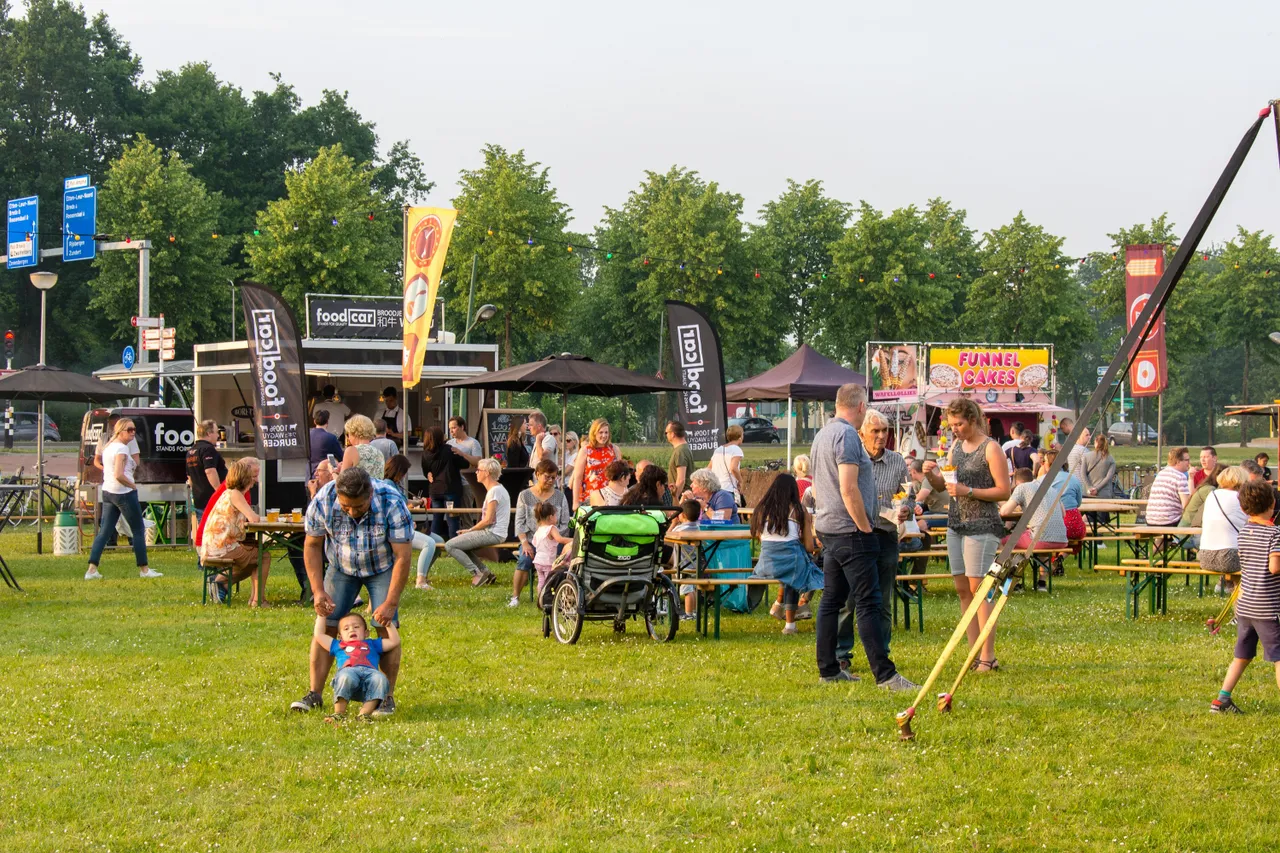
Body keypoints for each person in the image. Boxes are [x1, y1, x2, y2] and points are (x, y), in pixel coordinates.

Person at [811, 382, 914, 690]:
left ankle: (829, 669)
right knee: (869, 601)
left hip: (829, 527)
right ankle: (886, 675)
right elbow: (848, 487)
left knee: (832, 600)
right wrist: (865, 528)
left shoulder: (822, 434)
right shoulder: (846, 436)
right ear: (859, 407)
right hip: (851, 530)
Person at [291, 466, 413, 717]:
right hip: (341, 567)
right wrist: (317, 591)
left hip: (382, 566)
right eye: (346, 506)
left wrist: (390, 602)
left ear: (370, 495)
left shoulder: (392, 501)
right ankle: (314, 694)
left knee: (384, 625)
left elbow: (403, 555)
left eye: (358, 507)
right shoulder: (323, 500)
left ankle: (385, 698)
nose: (352, 512)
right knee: (327, 623)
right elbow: (312, 545)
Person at [921, 397, 1011, 674]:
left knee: (979, 590)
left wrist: (968, 491)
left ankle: (988, 656)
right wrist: (932, 476)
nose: (955, 430)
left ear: (973, 420)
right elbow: (946, 485)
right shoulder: (956, 448)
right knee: (962, 590)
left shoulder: (991, 448)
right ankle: (974, 653)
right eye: (951, 425)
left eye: (959, 424)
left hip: (982, 525)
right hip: (956, 523)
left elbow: (1004, 491)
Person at [836, 409, 910, 665]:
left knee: (883, 599)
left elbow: (906, 496)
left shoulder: (897, 461)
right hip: (856, 535)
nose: (881, 436)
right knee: (849, 598)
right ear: (861, 433)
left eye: (884, 430)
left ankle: (880, 653)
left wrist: (907, 509)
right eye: (875, 431)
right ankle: (841, 654)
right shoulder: (851, 459)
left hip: (885, 535)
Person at [1209, 480, 1280, 714]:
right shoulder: (1274, 533)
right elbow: (1274, 567)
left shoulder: (1244, 533)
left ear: (1243, 508)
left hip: (1246, 606)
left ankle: (1222, 700)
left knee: (1242, 656)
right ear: (1272, 503)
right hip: (1267, 606)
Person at [85, 418, 160, 581]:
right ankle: (144, 569)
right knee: (138, 530)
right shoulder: (122, 449)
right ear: (120, 431)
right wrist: (132, 485)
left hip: (108, 491)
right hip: (123, 492)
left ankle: (91, 570)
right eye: (129, 430)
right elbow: (119, 474)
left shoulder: (109, 447)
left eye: (134, 429)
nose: (133, 433)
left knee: (105, 532)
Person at [750, 473, 823, 635]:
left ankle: (779, 603)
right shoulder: (799, 510)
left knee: (789, 568)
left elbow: (758, 536)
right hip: (791, 565)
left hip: (766, 566)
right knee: (796, 569)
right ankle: (790, 624)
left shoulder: (761, 510)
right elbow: (809, 547)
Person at [201, 457, 271, 606]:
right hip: (222, 546)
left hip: (214, 545)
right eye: (252, 477)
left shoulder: (228, 493)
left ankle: (224, 584)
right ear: (245, 478)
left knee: (257, 552)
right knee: (263, 556)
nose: (255, 481)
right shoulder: (236, 494)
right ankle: (258, 600)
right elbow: (253, 518)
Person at [1001, 450, 1070, 591]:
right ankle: (1042, 583)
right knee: (1038, 539)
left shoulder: (1021, 488)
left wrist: (999, 503)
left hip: (1040, 538)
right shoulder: (1049, 487)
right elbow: (1063, 513)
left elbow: (1005, 512)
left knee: (1005, 542)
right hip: (1062, 538)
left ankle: (1014, 582)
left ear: (1016, 481)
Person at [313, 613, 399, 722]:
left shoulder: (373, 644)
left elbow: (394, 641)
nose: (352, 630)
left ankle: (364, 714)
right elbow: (319, 635)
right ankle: (339, 713)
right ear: (340, 636)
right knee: (345, 676)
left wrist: (388, 624)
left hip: (370, 674)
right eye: (346, 628)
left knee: (380, 679)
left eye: (356, 627)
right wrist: (321, 615)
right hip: (349, 671)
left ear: (366, 633)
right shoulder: (338, 645)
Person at [512, 458, 571, 606]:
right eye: (547, 477)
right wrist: (524, 543)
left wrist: (552, 535)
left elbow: (565, 522)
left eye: (554, 477)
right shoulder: (525, 495)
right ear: (537, 475)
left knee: (563, 562)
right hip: (532, 540)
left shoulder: (560, 496)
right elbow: (519, 523)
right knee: (524, 560)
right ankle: (515, 597)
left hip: (554, 540)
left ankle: (559, 596)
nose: (551, 480)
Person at [444, 458, 509, 588]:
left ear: (487, 473)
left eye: (478, 470)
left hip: (493, 533)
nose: (476, 472)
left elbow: (488, 520)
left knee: (450, 545)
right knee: (461, 545)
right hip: (494, 532)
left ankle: (476, 573)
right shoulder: (496, 489)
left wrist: (470, 531)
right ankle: (485, 572)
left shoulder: (494, 491)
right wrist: (470, 532)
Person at [384, 454, 444, 591]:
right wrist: (408, 521)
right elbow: (394, 509)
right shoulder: (388, 486)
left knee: (439, 541)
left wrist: (418, 502)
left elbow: (405, 502)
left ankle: (424, 574)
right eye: (404, 472)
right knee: (429, 543)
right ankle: (420, 581)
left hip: (406, 526)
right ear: (398, 471)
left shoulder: (395, 485)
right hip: (398, 530)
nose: (405, 475)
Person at [1200, 466, 1248, 583]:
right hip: (1229, 557)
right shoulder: (1239, 498)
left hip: (1205, 556)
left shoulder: (1212, 495)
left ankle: (1226, 585)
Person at [420, 424, 467, 542]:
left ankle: (434, 544)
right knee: (452, 520)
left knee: (436, 519)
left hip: (435, 490)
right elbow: (465, 464)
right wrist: (460, 453)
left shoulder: (425, 453)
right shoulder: (449, 450)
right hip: (451, 489)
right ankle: (454, 545)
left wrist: (429, 474)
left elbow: (425, 472)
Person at [571, 418, 620, 509]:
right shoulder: (585, 450)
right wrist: (575, 502)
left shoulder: (614, 449)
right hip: (590, 497)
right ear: (594, 433)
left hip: (610, 497)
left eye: (606, 432)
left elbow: (620, 475)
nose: (604, 435)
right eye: (600, 432)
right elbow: (577, 478)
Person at [529, 502, 573, 601]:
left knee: (541, 581)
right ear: (551, 517)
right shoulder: (551, 528)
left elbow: (535, 543)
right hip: (547, 561)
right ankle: (547, 599)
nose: (556, 517)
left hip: (538, 561)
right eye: (555, 515)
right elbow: (560, 539)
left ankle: (540, 599)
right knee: (549, 582)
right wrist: (574, 540)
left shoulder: (539, 529)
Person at [185, 419, 226, 525]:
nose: (218, 435)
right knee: (215, 530)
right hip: (212, 500)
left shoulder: (191, 452)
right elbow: (210, 471)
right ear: (208, 433)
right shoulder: (208, 449)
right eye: (216, 432)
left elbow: (190, 478)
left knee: (203, 530)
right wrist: (220, 492)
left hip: (199, 500)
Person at [670, 500, 703, 622]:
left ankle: (688, 614)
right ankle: (694, 612)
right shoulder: (698, 528)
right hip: (696, 564)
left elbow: (667, 536)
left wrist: (673, 523)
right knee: (692, 589)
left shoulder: (679, 529)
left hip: (683, 566)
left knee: (687, 591)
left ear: (683, 515)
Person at [1147, 446, 1192, 526]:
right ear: (1178, 461)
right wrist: (1191, 478)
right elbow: (1186, 505)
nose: (1189, 463)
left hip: (1150, 521)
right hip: (1169, 522)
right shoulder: (1180, 477)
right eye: (1187, 460)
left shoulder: (1160, 474)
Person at [340, 415, 385, 480]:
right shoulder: (379, 453)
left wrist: (333, 472)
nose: (348, 438)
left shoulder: (351, 451)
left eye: (348, 434)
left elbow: (341, 482)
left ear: (353, 432)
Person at [709, 425, 745, 505]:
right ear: (740, 437)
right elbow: (733, 468)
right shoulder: (736, 450)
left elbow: (709, 468)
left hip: (716, 489)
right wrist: (741, 481)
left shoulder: (718, 450)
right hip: (728, 489)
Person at [1183, 463, 1225, 530]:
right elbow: (1220, 508)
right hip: (1189, 528)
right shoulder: (1209, 490)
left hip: (1190, 525)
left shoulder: (1207, 486)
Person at [1081, 433, 1118, 498]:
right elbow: (1108, 477)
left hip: (1087, 493)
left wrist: (1089, 487)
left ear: (1096, 443)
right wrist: (1097, 489)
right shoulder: (1111, 459)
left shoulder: (1086, 456)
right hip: (1104, 493)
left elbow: (1083, 474)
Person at [308, 409, 343, 477]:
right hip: (324, 476)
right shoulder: (331, 437)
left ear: (314, 421)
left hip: (310, 475)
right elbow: (339, 457)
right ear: (327, 422)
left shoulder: (307, 436)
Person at [665, 420, 694, 500]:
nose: (666, 435)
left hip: (682, 495)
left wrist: (675, 499)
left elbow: (681, 479)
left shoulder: (680, 451)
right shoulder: (683, 448)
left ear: (673, 434)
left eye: (666, 433)